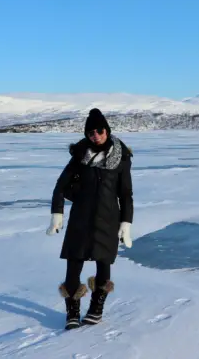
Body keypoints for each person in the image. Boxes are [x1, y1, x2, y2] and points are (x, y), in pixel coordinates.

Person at [47, 108, 134, 330]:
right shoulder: (79, 156)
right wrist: (57, 214)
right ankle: (73, 312)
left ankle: (96, 309)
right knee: (73, 266)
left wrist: (126, 223)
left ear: (107, 130)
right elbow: (60, 186)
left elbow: (125, 194)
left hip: (108, 219)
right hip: (80, 219)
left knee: (103, 265)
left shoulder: (121, 157)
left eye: (99, 130)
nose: (95, 135)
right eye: (90, 132)